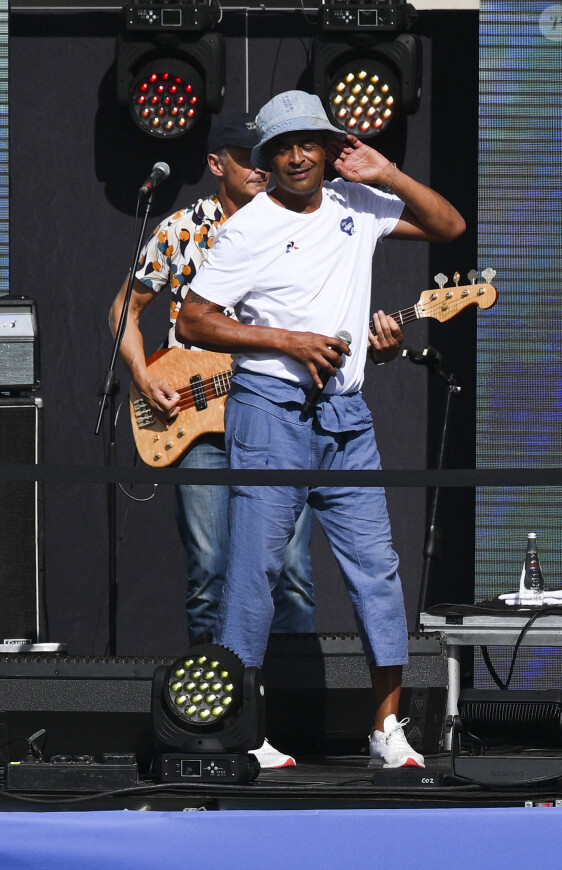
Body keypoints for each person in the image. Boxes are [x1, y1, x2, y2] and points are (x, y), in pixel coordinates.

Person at [175, 91, 466, 768]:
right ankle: (244, 728)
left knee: (377, 572)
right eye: (283, 146)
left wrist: (387, 173)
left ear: (329, 147)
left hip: (345, 418)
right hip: (268, 410)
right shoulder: (247, 228)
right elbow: (193, 320)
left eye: (309, 142)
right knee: (254, 574)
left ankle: (386, 730)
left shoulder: (356, 205)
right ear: (267, 158)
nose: (298, 156)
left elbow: (449, 226)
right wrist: (287, 341)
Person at [109, 112, 316, 769]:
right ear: (216, 163)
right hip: (196, 420)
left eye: (266, 155)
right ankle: (220, 725)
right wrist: (144, 378)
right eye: (244, 156)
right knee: (210, 575)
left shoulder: (298, 229)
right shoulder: (182, 228)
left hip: (278, 420)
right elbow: (124, 307)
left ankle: (283, 725)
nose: (261, 166)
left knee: (290, 578)